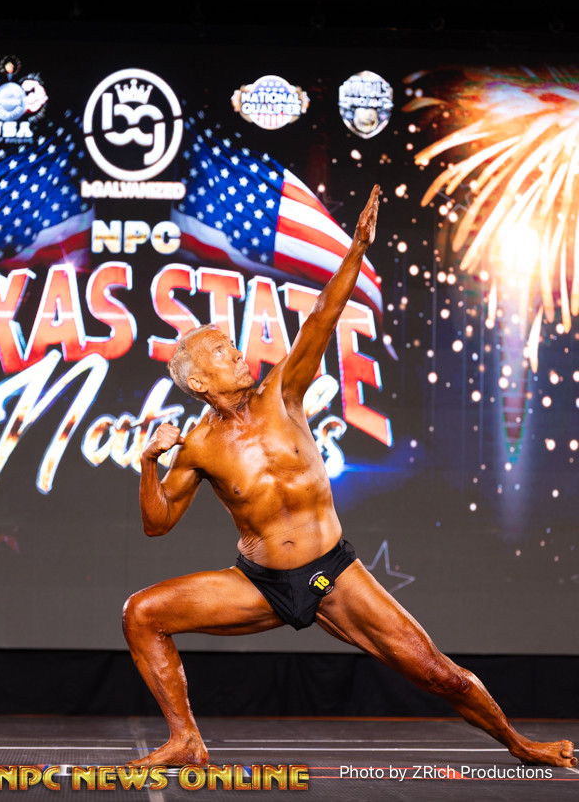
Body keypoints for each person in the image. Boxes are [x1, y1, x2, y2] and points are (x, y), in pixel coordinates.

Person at [123, 186, 576, 768]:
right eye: (221, 351)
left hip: (334, 574)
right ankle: (186, 739)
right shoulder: (197, 448)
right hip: (260, 583)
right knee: (141, 613)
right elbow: (157, 523)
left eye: (232, 344)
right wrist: (149, 464)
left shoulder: (282, 393)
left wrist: (357, 248)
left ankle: (520, 744)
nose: (236, 352)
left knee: (439, 674)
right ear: (198, 383)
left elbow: (322, 316)